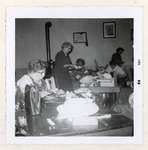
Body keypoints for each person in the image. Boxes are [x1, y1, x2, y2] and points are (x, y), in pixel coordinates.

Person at [15, 59, 55, 135]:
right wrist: (42, 94)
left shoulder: (37, 79)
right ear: (32, 71)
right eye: (41, 73)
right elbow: (28, 99)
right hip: (25, 116)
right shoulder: (25, 81)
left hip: (36, 113)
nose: (43, 75)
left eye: (44, 72)